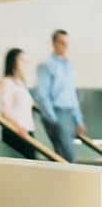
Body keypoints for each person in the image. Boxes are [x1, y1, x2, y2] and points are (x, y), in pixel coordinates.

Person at [35, 29, 86, 162]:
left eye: (67, 44)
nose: (65, 47)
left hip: (69, 115)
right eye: (62, 43)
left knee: (61, 156)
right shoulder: (46, 65)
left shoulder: (69, 65)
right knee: (68, 157)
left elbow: (71, 95)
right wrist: (53, 120)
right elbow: (42, 95)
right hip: (57, 114)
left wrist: (78, 120)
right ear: (54, 43)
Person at [0, 48, 36, 159]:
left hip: (27, 130)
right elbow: (5, 110)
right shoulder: (7, 82)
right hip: (16, 131)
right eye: (21, 60)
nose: (25, 63)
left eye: (26, 60)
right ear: (13, 61)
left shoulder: (21, 84)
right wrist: (18, 127)